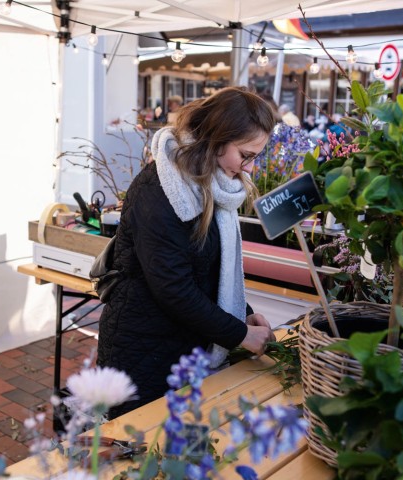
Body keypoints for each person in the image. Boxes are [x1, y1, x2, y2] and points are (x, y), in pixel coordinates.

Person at [97, 87, 277, 418]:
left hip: (184, 346)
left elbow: (213, 270)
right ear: (217, 138)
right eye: (246, 154)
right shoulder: (159, 189)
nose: (250, 168)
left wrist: (243, 313)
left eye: (255, 157)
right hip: (143, 351)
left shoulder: (213, 186)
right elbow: (174, 288)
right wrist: (239, 334)